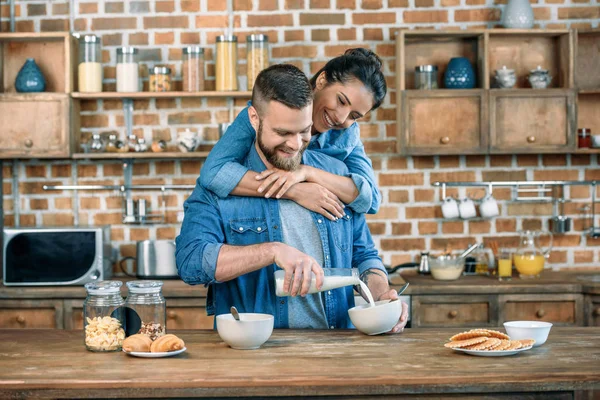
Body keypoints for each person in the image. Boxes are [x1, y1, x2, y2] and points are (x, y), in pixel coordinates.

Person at [176, 64, 408, 333]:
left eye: (304, 131)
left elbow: (364, 255)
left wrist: (381, 293)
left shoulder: (336, 173)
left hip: (339, 355)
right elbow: (190, 262)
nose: (296, 144)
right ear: (254, 120)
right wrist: (271, 251)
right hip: (254, 355)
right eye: (283, 133)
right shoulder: (221, 185)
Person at [199, 48, 386, 221]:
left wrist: (306, 172)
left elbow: (371, 200)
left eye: (354, 116)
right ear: (322, 80)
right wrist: (295, 190)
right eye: (341, 101)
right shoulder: (266, 113)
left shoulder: (347, 134)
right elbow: (214, 172)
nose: (341, 117)